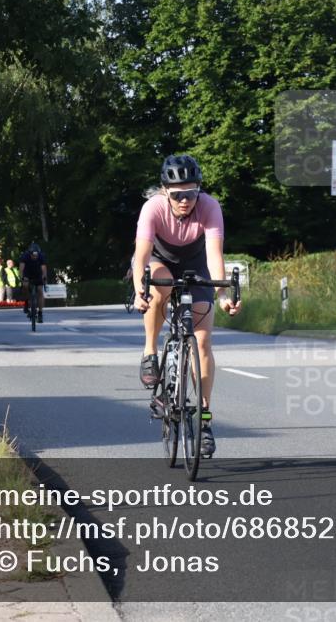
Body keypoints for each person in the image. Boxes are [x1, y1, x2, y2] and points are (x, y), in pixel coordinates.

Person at [133, 154, 241, 456]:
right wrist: (138, 288)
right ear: (165, 192)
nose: (184, 201)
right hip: (159, 260)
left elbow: (214, 254)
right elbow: (141, 254)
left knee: (203, 341)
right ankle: (150, 351)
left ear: (199, 192)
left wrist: (221, 295)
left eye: (191, 194)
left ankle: (205, 420)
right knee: (159, 286)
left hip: (195, 264)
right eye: (177, 195)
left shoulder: (209, 206)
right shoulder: (152, 207)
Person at [19, 243, 48, 322]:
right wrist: (22, 278)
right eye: (33, 255)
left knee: (40, 291)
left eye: (36, 255)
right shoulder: (25, 256)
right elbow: (21, 269)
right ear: (30, 253)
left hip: (38, 274)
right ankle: (26, 302)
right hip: (27, 274)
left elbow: (44, 269)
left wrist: (44, 277)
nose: (35, 257)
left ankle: (40, 312)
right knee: (25, 286)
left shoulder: (41, 256)